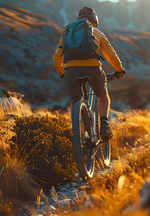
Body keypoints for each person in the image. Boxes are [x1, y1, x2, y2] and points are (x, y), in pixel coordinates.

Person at [53, 6, 125, 141]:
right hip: (93, 69)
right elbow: (111, 55)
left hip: (71, 70)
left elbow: (57, 57)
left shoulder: (68, 33)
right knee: (102, 95)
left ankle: (79, 131)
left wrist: (62, 72)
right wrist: (119, 70)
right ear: (94, 20)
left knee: (76, 101)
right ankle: (104, 124)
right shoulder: (95, 32)